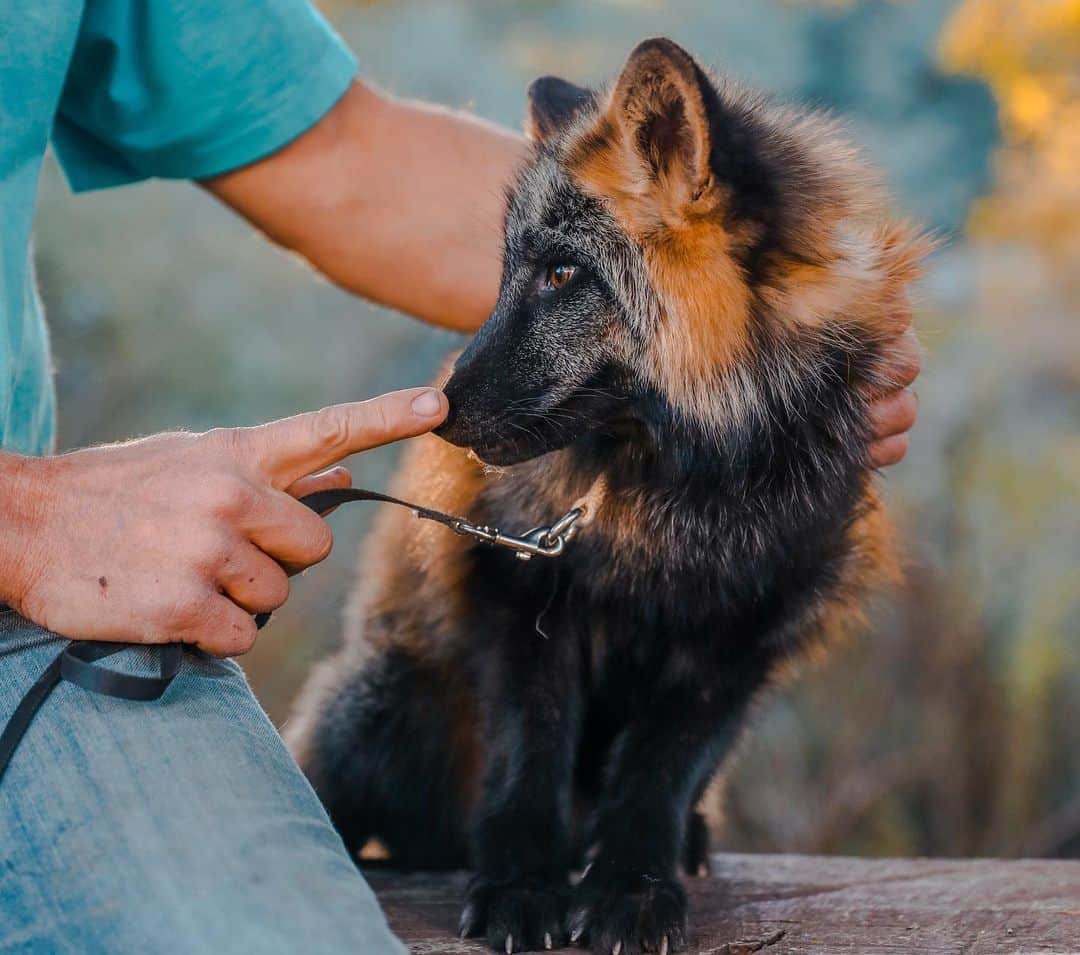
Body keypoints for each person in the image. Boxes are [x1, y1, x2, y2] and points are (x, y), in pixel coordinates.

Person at [0, 2, 921, 951]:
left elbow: (344, 158)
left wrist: (799, 335)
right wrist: (24, 519)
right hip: (65, 571)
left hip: (45, 628)